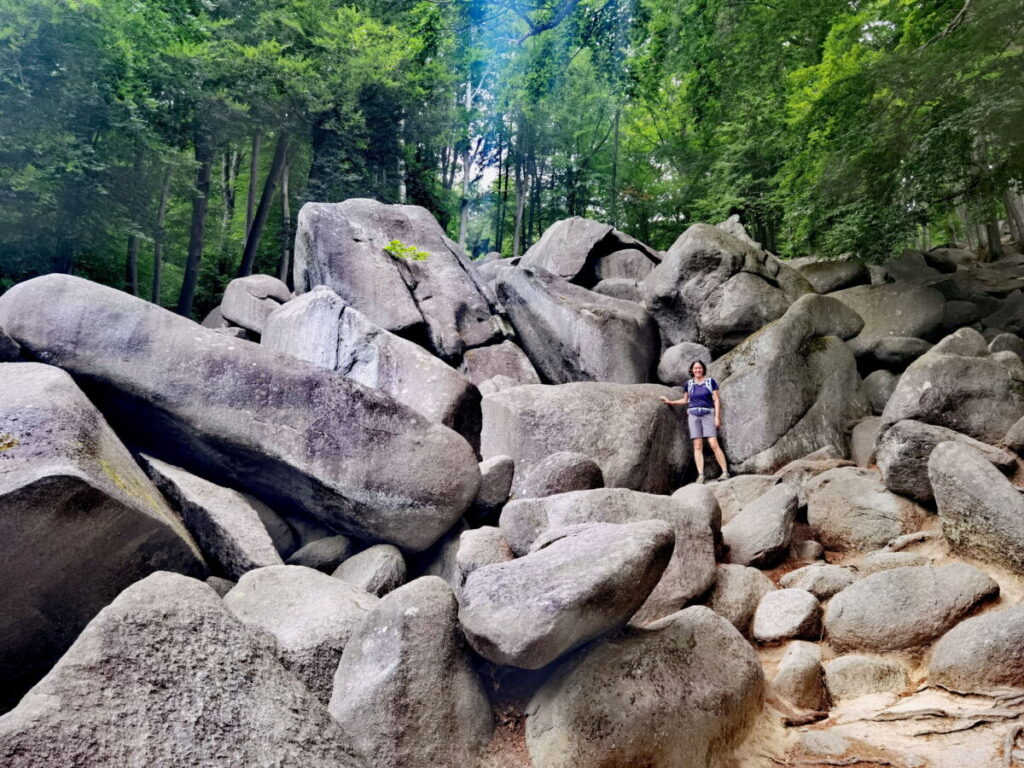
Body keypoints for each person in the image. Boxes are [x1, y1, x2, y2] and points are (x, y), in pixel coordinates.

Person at [660, 360, 730, 484]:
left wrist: (717, 417)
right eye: (695, 368)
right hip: (693, 415)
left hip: (708, 414)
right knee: (697, 445)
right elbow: (685, 400)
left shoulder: (710, 382)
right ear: (692, 370)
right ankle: (701, 475)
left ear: (703, 369)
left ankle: (725, 472)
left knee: (713, 443)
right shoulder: (689, 384)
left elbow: (716, 400)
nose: (697, 370)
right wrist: (670, 402)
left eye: (700, 368)